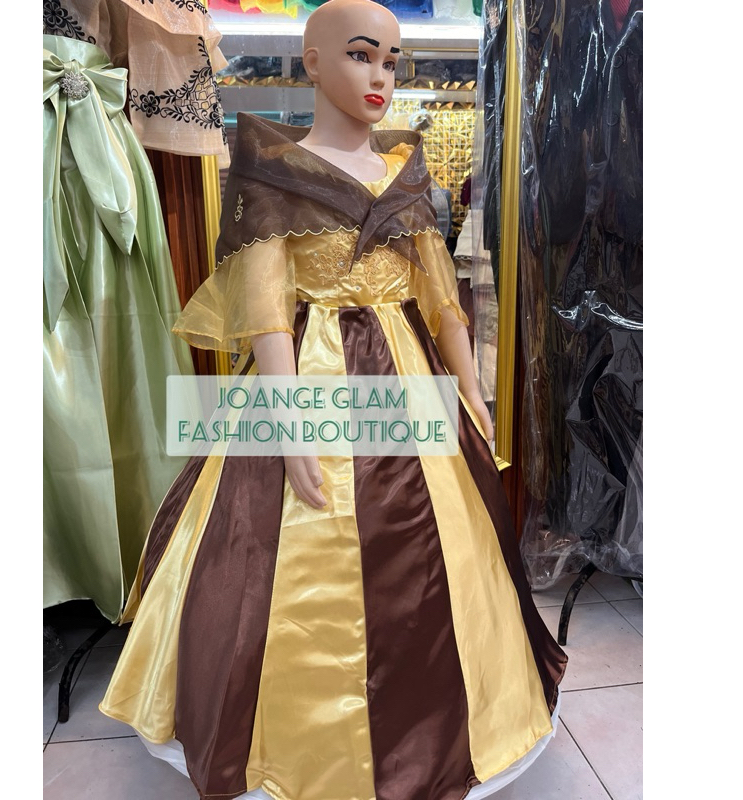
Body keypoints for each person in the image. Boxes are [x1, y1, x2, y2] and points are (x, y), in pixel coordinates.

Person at [100, 3, 567, 798]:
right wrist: (286, 429)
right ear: (312, 62)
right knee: (266, 552)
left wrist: (470, 386)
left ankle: (447, 717)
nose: (381, 75)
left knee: (442, 553)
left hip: (408, 375)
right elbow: (266, 310)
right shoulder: (270, 168)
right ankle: (284, 741)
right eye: (360, 55)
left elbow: (439, 293)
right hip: (308, 371)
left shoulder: (405, 170)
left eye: (391, 59)